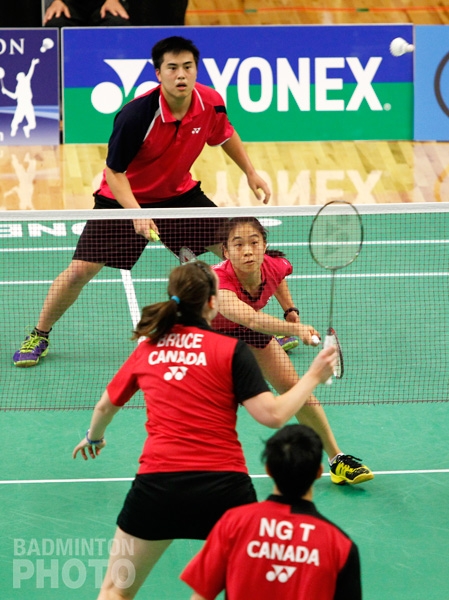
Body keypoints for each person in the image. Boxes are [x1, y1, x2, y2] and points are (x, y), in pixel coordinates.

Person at [72, 261, 337, 599]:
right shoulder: (231, 350)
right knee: (231, 589)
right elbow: (272, 416)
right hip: (224, 489)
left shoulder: (147, 348)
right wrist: (313, 376)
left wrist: (94, 437)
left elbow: (105, 407)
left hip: (158, 487)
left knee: (115, 591)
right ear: (213, 303)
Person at [13, 36, 270, 367]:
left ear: (196, 69)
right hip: (123, 198)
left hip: (178, 195)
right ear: (158, 73)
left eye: (187, 67)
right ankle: (39, 333)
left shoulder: (210, 102)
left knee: (238, 250)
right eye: (172, 68)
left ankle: (264, 326)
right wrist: (136, 213)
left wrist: (250, 171)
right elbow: (114, 171)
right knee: (79, 271)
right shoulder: (137, 115)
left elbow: (224, 133)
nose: (181, 75)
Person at [211, 216, 373, 485]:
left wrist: (289, 310)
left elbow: (276, 279)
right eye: (238, 245)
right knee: (209, 402)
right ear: (226, 252)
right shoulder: (218, 279)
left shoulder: (274, 265)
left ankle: (337, 459)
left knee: (296, 388)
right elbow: (250, 318)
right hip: (210, 335)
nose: (248, 251)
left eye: (254, 242)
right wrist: (295, 330)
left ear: (264, 245)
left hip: (248, 330)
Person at [181, 423, 362, 600]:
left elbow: (200, 596)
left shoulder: (233, 524)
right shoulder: (339, 545)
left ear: (268, 469)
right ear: (319, 472)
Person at [1, 58, 40, 139]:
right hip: (21, 106)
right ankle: (13, 130)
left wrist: (33, 64)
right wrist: (6, 91)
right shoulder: (18, 87)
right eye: (21, 75)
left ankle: (26, 128)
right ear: (18, 78)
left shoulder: (26, 81)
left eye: (23, 75)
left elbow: (30, 73)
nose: (23, 76)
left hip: (28, 105)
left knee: (33, 125)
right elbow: (15, 96)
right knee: (15, 122)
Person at [43, 0, 131, 27]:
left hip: (105, 4)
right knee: (56, 24)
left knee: (116, 24)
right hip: (68, 4)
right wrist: (57, 1)